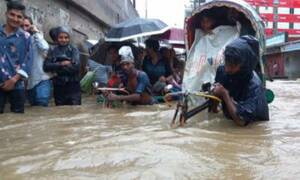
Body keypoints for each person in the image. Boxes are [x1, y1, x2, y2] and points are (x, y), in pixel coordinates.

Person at [211, 36, 269, 126]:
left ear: (244, 65)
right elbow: (215, 101)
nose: (227, 69)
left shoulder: (254, 86)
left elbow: (241, 122)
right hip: (230, 119)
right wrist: (214, 107)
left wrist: (225, 94)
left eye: (232, 66)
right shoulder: (222, 71)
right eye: (226, 63)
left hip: (253, 125)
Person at [0, 1, 31, 113]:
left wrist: (13, 80)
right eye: (12, 15)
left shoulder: (26, 37)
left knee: (18, 118)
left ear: (23, 19)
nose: (15, 19)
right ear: (6, 14)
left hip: (17, 85)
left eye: (19, 17)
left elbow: (28, 61)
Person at [43, 26, 81, 106]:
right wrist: (61, 64)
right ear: (57, 38)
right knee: (60, 111)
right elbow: (46, 66)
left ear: (69, 38)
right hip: (59, 87)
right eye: (61, 37)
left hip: (73, 86)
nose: (63, 40)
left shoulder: (74, 49)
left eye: (66, 37)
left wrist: (56, 69)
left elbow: (76, 67)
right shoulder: (52, 50)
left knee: (75, 110)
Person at [22, 15, 51, 107]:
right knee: (33, 109)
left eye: (27, 26)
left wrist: (36, 32)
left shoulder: (36, 38)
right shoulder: (17, 40)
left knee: (41, 108)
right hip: (29, 83)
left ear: (31, 26)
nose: (24, 29)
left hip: (42, 80)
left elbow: (45, 47)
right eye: (21, 26)